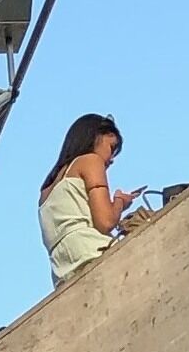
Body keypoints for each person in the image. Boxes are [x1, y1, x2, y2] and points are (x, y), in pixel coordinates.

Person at [39, 115, 148, 287]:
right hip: (91, 250)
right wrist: (119, 201)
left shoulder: (45, 191)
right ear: (96, 136)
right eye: (111, 148)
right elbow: (105, 222)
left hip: (62, 271)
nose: (111, 159)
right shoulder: (90, 161)